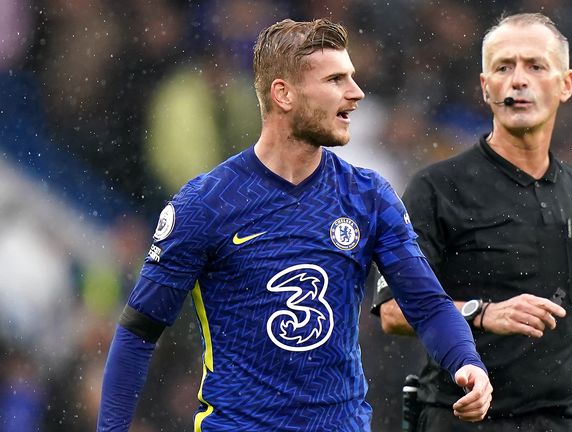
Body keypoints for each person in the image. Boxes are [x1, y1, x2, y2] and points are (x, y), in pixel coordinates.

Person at [97, 18, 492, 432]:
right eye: (336, 79)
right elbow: (139, 333)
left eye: (352, 78)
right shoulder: (206, 205)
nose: (355, 94)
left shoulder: (368, 195)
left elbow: (427, 304)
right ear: (283, 94)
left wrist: (468, 362)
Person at [372, 13, 572, 432]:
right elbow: (393, 311)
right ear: (486, 87)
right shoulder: (437, 188)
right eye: (503, 67)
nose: (518, 80)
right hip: (466, 420)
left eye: (536, 66)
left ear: (566, 84)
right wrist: (480, 313)